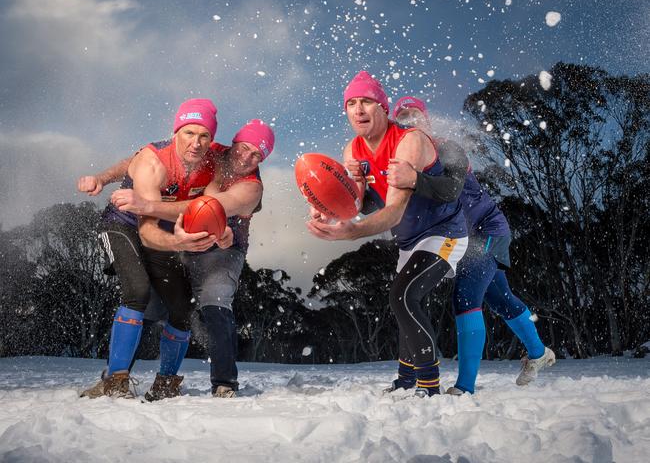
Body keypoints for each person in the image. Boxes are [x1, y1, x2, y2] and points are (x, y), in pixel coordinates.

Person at [79, 114, 272, 399]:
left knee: (196, 306)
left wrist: (220, 232)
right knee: (142, 296)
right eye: (244, 148)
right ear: (232, 143)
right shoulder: (200, 150)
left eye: (257, 155)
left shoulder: (249, 186)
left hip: (215, 244)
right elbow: (136, 165)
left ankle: (195, 382)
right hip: (141, 226)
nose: (246, 158)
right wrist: (103, 179)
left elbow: (206, 204)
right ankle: (115, 379)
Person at [307, 71, 468, 397]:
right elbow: (360, 205)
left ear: (383, 108)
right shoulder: (352, 150)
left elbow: (393, 210)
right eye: (351, 103)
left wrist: (352, 234)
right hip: (408, 240)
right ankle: (405, 379)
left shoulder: (409, 141)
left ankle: (429, 387)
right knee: (403, 303)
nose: (358, 109)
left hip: (444, 233)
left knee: (403, 296)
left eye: (366, 101)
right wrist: (328, 206)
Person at [390, 96, 556, 394]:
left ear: (426, 120)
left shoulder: (444, 148)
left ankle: (464, 387)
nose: (408, 121)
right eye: (402, 118)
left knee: (465, 297)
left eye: (414, 115)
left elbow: (450, 189)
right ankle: (539, 354)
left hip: (486, 231)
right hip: (461, 238)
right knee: (501, 299)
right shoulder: (405, 162)